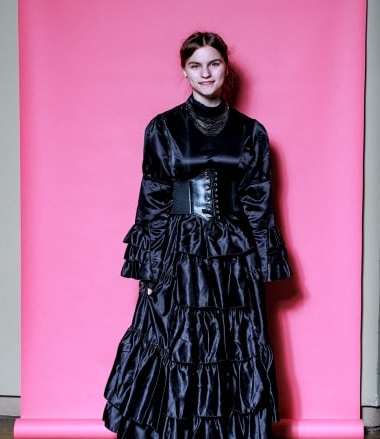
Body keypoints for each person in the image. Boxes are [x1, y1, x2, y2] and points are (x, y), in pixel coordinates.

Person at [102, 31, 290, 438]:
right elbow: (153, 198)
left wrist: (261, 264)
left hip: (232, 257)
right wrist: (150, 269)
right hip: (180, 253)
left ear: (226, 68)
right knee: (180, 347)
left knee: (231, 350)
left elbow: (258, 203)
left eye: (214, 63)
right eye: (195, 66)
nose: (206, 73)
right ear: (184, 72)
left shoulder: (252, 132)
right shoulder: (163, 128)